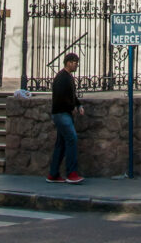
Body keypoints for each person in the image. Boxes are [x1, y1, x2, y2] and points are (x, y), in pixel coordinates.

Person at [46, 52, 85, 184]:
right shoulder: (62, 78)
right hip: (62, 114)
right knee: (71, 139)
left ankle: (53, 174)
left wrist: (78, 105)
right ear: (68, 63)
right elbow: (61, 97)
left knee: (61, 144)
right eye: (75, 63)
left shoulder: (67, 77)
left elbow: (71, 95)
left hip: (62, 113)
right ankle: (71, 173)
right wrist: (72, 107)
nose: (76, 65)